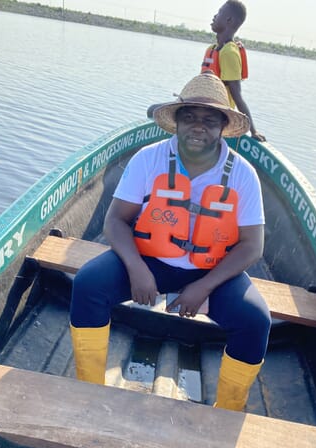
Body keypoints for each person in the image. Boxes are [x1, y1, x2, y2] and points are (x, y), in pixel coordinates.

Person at [70, 72, 271, 412]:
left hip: (212, 270)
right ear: (176, 121)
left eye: (209, 120)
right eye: (189, 117)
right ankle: (89, 392)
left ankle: (229, 412)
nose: (198, 127)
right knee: (88, 285)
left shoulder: (242, 174)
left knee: (256, 320)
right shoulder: (148, 159)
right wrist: (136, 269)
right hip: (148, 259)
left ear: (222, 127)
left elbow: (253, 245)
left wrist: (204, 287)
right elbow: (116, 221)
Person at [202, 0, 266, 142]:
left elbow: (237, 96)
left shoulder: (229, 52)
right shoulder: (212, 49)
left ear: (229, 20)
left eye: (218, 13)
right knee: (154, 110)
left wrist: (253, 130)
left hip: (215, 115)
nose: (214, 16)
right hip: (202, 107)